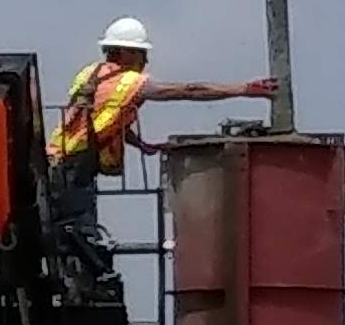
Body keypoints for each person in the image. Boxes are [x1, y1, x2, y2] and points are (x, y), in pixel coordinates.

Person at [45, 18, 272, 249]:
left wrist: (139, 144)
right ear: (127, 53)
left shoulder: (89, 74)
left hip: (56, 156)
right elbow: (190, 91)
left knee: (62, 223)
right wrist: (244, 89)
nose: (146, 61)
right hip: (75, 166)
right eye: (142, 53)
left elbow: (100, 120)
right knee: (76, 235)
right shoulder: (132, 82)